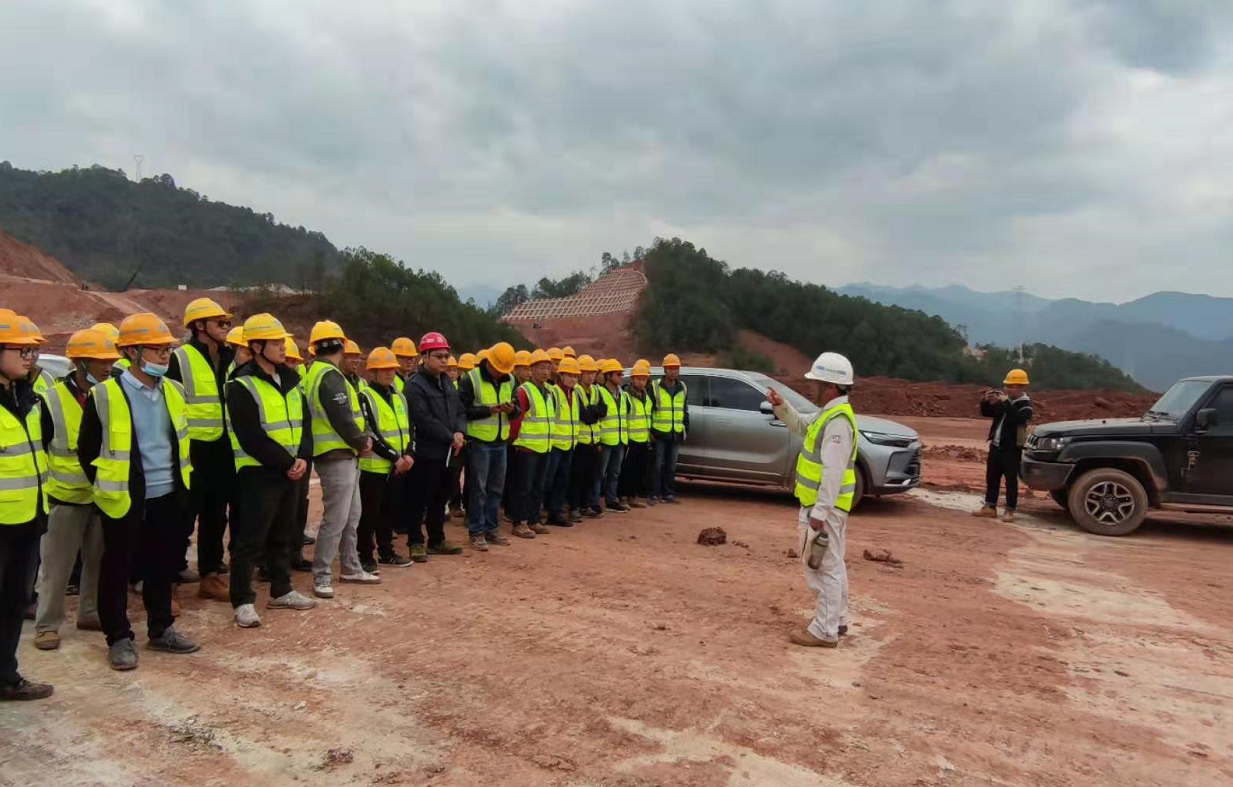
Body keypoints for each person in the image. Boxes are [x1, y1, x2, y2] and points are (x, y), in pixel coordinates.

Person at [78, 313, 202, 670]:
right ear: (132, 351)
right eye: (157, 349)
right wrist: (111, 484)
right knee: (117, 570)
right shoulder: (105, 394)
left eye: (167, 349)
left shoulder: (173, 390)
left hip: (169, 495)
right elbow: (87, 450)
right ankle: (118, 638)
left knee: (162, 567)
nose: (165, 355)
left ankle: (161, 629)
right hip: (125, 499)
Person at [225, 314, 317, 628]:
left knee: (284, 532)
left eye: (282, 341)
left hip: (292, 470)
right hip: (259, 472)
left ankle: (282, 589)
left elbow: (305, 424)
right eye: (276, 342)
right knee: (250, 538)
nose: (283, 346)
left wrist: (302, 457)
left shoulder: (291, 379)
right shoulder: (241, 384)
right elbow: (250, 436)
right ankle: (242, 600)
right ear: (256, 346)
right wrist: (288, 462)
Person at [32, 329, 117, 651]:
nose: (108, 367)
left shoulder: (111, 394)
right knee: (57, 568)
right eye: (100, 361)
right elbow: (39, 449)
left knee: (98, 562)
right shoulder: (51, 399)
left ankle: (90, 613)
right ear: (80, 363)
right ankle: (47, 625)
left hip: (102, 494)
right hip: (65, 498)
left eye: (110, 361)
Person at [767, 352, 857, 649]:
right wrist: (782, 406)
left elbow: (833, 472)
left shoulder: (838, 422)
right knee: (833, 564)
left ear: (830, 386)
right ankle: (837, 620)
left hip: (823, 511)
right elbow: (802, 425)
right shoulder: (828, 414)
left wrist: (820, 512)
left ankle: (825, 631)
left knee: (821, 567)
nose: (812, 387)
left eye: (817, 382)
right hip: (827, 509)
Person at [302, 321, 380, 599]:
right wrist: (362, 441)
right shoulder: (330, 376)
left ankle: (350, 566)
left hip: (340, 454)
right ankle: (322, 574)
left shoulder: (315, 373)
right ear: (342, 345)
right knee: (336, 518)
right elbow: (341, 418)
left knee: (351, 515)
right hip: (337, 454)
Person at [0, 309, 54, 700]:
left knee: (15, 603)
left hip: (29, 520)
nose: (30, 358)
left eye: (32, 351)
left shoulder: (29, 399)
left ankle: (6, 677)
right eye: (21, 350)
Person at [168, 297, 235, 602]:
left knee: (215, 515)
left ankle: (210, 575)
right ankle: (168, 582)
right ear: (199, 325)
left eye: (227, 322)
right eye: (220, 322)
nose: (225, 327)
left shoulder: (230, 356)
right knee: (182, 517)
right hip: (191, 449)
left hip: (222, 447)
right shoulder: (180, 358)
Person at [404, 333, 466, 561]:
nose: (444, 360)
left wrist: (460, 431)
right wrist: (450, 436)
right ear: (425, 356)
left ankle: (437, 539)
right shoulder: (414, 385)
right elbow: (423, 419)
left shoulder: (447, 382)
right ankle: (415, 542)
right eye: (438, 356)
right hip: (426, 451)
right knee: (419, 498)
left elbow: (459, 410)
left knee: (440, 498)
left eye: (446, 356)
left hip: (449, 451)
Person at [356, 347, 414, 572]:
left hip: (397, 467)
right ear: (373, 372)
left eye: (392, 369)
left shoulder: (400, 396)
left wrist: (408, 454)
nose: (390, 373)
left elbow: (409, 428)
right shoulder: (365, 396)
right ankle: (365, 556)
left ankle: (387, 553)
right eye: (384, 369)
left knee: (388, 513)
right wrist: (395, 457)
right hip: (374, 467)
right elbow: (370, 431)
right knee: (368, 515)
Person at [460, 342, 519, 551]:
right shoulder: (471, 379)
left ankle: (492, 529)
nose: (500, 373)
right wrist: (488, 410)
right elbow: (462, 411)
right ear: (489, 363)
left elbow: (517, 410)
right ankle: (476, 531)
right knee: (479, 490)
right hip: (479, 442)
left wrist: (511, 410)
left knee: (495, 489)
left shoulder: (510, 379)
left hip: (500, 442)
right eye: (498, 369)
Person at [974, 369, 1034, 523]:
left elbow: (1017, 419)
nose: (1007, 389)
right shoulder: (1004, 403)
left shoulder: (1026, 406)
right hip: (996, 445)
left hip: (1012, 448)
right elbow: (988, 413)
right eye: (1006, 386)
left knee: (1010, 480)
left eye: (1011, 386)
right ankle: (990, 507)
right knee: (992, 477)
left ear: (1021, 387)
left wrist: (1005, 402)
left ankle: (1010, 509)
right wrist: (986, 401)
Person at [508, 350, 555, 538]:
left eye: (548, 368)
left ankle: (534, 520)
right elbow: (516, 419)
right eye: (541, 368)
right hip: (526, 447)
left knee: (538, 486)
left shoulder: (548, 391)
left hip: (544, 446)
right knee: (523, 487)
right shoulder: (524, 391)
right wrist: (514, 442)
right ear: (532, 369)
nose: (545, 372)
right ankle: (519, 522)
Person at [284, 337, 313, 571]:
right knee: (275, 514)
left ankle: (295, 555)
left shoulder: (296, 389)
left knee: (298, 508)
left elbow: (306, 424)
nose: (292, 366)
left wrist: (303, 455)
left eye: (294, 361)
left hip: (299, 460)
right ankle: (268, 563)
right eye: (288, 361)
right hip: (276, 462)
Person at [544, 356, 584, 525]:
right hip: (555, 445)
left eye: (575, 376)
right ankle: (542, 512)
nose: (573, 379)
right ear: (561, 375)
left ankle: (556, 513)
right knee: (548, 480)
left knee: (562, 481)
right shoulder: (553, 393)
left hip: (569, 445)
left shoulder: (574, 394)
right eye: (570, 375)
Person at [569, 355, 605, 519]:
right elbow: (583, 415)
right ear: (581, 374)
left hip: (594, 441)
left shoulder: (597, 390)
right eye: (587, 373)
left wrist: (593, 411)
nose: (590, 376)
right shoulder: (576, 390)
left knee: (590, 477)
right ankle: (574, 507)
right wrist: (594, 412)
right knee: (577, 477)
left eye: (593, 373)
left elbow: (603, 411)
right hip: (581, 442)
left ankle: (586, 506)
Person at [650, 353, 689, 505]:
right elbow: (648, 410)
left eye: (675, 368)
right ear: (664, 369)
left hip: (675, 433)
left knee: (671, 466)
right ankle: (654, 495)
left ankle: (668, 494)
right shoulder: (655, 386)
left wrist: (685, 428)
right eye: (670, 368)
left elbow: (684, 410)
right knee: (657, 465)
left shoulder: (682, 387)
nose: (673, 371)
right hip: (659, 433)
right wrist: (650, 431)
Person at [594, 359, 630, 513]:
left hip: (619, 440)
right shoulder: (599, 393)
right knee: (599, 473)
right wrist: (598, 440)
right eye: (618, 374)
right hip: (605, 440)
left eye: (621, 374)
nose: (621, 377)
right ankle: (594, 502)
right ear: (608, 376)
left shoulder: (623, 394)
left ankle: (611, 500)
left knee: (615, 473)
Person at [619, 360, 654, 508]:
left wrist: (649, 435)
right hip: (630, 440)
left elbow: (647, 418)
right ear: (632, 379)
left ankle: (632, 497)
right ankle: (622, 496)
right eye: (638, 379)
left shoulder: (646, 397)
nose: (641, 382)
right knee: (626, 470)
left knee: (638, 470)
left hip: (643, 440)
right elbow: (623, 418)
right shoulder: (626, 396)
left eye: (644, 379)